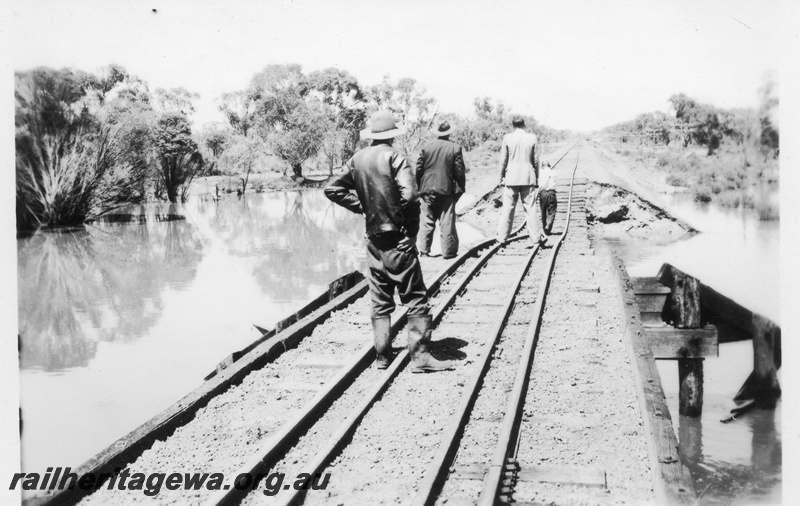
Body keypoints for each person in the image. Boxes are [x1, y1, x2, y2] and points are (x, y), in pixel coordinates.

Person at [324, 111, 453, 373]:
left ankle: (382, 357)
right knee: (416, 298)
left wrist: (364, 206)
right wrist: (408, 232)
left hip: (373, 241)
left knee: (380, 299)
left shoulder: (357, 158)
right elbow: (411, 195)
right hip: (397, 239)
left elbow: (332, 189)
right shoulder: (395, 156)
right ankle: (420, 358)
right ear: (393, 135)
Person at [415, 121, 466, 259]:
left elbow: (418, 170)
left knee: (426, 221)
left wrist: (420, 189)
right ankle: (448, 253)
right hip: (446, 190)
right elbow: (460, 172)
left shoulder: (426, 147)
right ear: (449, 133)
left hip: (426, 190)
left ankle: (424, 252)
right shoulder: (455, 148)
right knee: (447, 222)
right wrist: (459, 190)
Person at [495, 116, 545, 245]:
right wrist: (537, 177)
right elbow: (536, 160)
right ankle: (535, 238)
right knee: (530, 208)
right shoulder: (532, 138)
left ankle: (502, 238)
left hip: (511, 177)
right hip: (528, 177)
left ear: (513, 126)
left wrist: (500, 177)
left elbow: (503, 160)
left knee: (508, 208)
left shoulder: (507, 138)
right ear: (524, 125)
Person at [538, 161, 557, 234]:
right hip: (552, 193)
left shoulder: (540, 173)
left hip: (543, 193)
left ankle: (545, 227)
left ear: (542, 166)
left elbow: (540, 185)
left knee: (543, 211)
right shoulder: (553, 172)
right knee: (552, 211)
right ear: (549, 166)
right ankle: (548, 225)